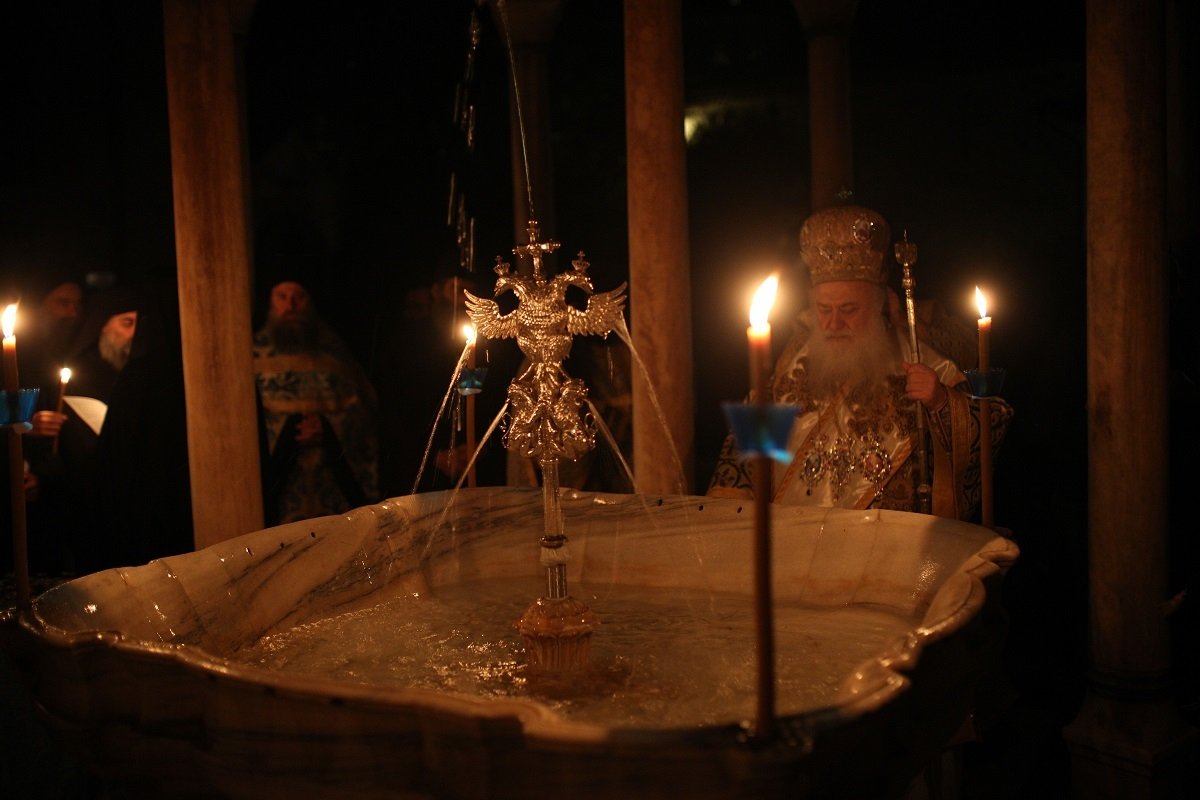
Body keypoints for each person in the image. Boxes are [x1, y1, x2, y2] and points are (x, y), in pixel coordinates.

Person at [707, 203, 1013, 520]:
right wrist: (731, 516)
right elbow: (746, 456)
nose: (834, 323)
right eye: (824, 310)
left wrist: (940, 401)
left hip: (890, 549)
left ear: (880, 303)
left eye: (849, 309)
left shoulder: (921, 354)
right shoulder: (795, 355)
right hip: (794, 546)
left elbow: (993, 423)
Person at [22, 281, 193, 573]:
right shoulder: (69, 377)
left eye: (140, 324)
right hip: (81, 509)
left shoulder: (149, 379)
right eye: (126, 323)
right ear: (102, 325)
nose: (133, 334)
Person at [254, 279, 379, 524]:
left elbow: (363, 415)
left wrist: (328, 429)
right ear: (269, 302)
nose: (291, 305)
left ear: (310, 302)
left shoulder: (335, 351)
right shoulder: (251, 353)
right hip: (280, 495)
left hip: (330, 490)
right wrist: (290, 433)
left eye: (299, 296)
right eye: (282, 296)